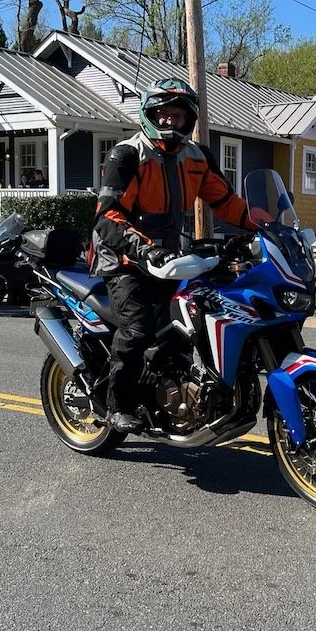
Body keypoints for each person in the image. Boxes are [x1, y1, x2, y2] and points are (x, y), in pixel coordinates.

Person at [91, 77, 258, 433]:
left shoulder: (197, 157)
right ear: (150, 114)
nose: (170, 120)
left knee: (193, 320)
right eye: (163, 113)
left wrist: (266, 223)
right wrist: (146, 249)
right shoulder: (128, 154)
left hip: (170, 258)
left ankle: (189, 391)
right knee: (137, 329)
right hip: (123, 259)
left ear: (189, 119)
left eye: (178, 115)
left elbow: (226, 202)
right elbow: (107, 216)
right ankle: (116, 405)